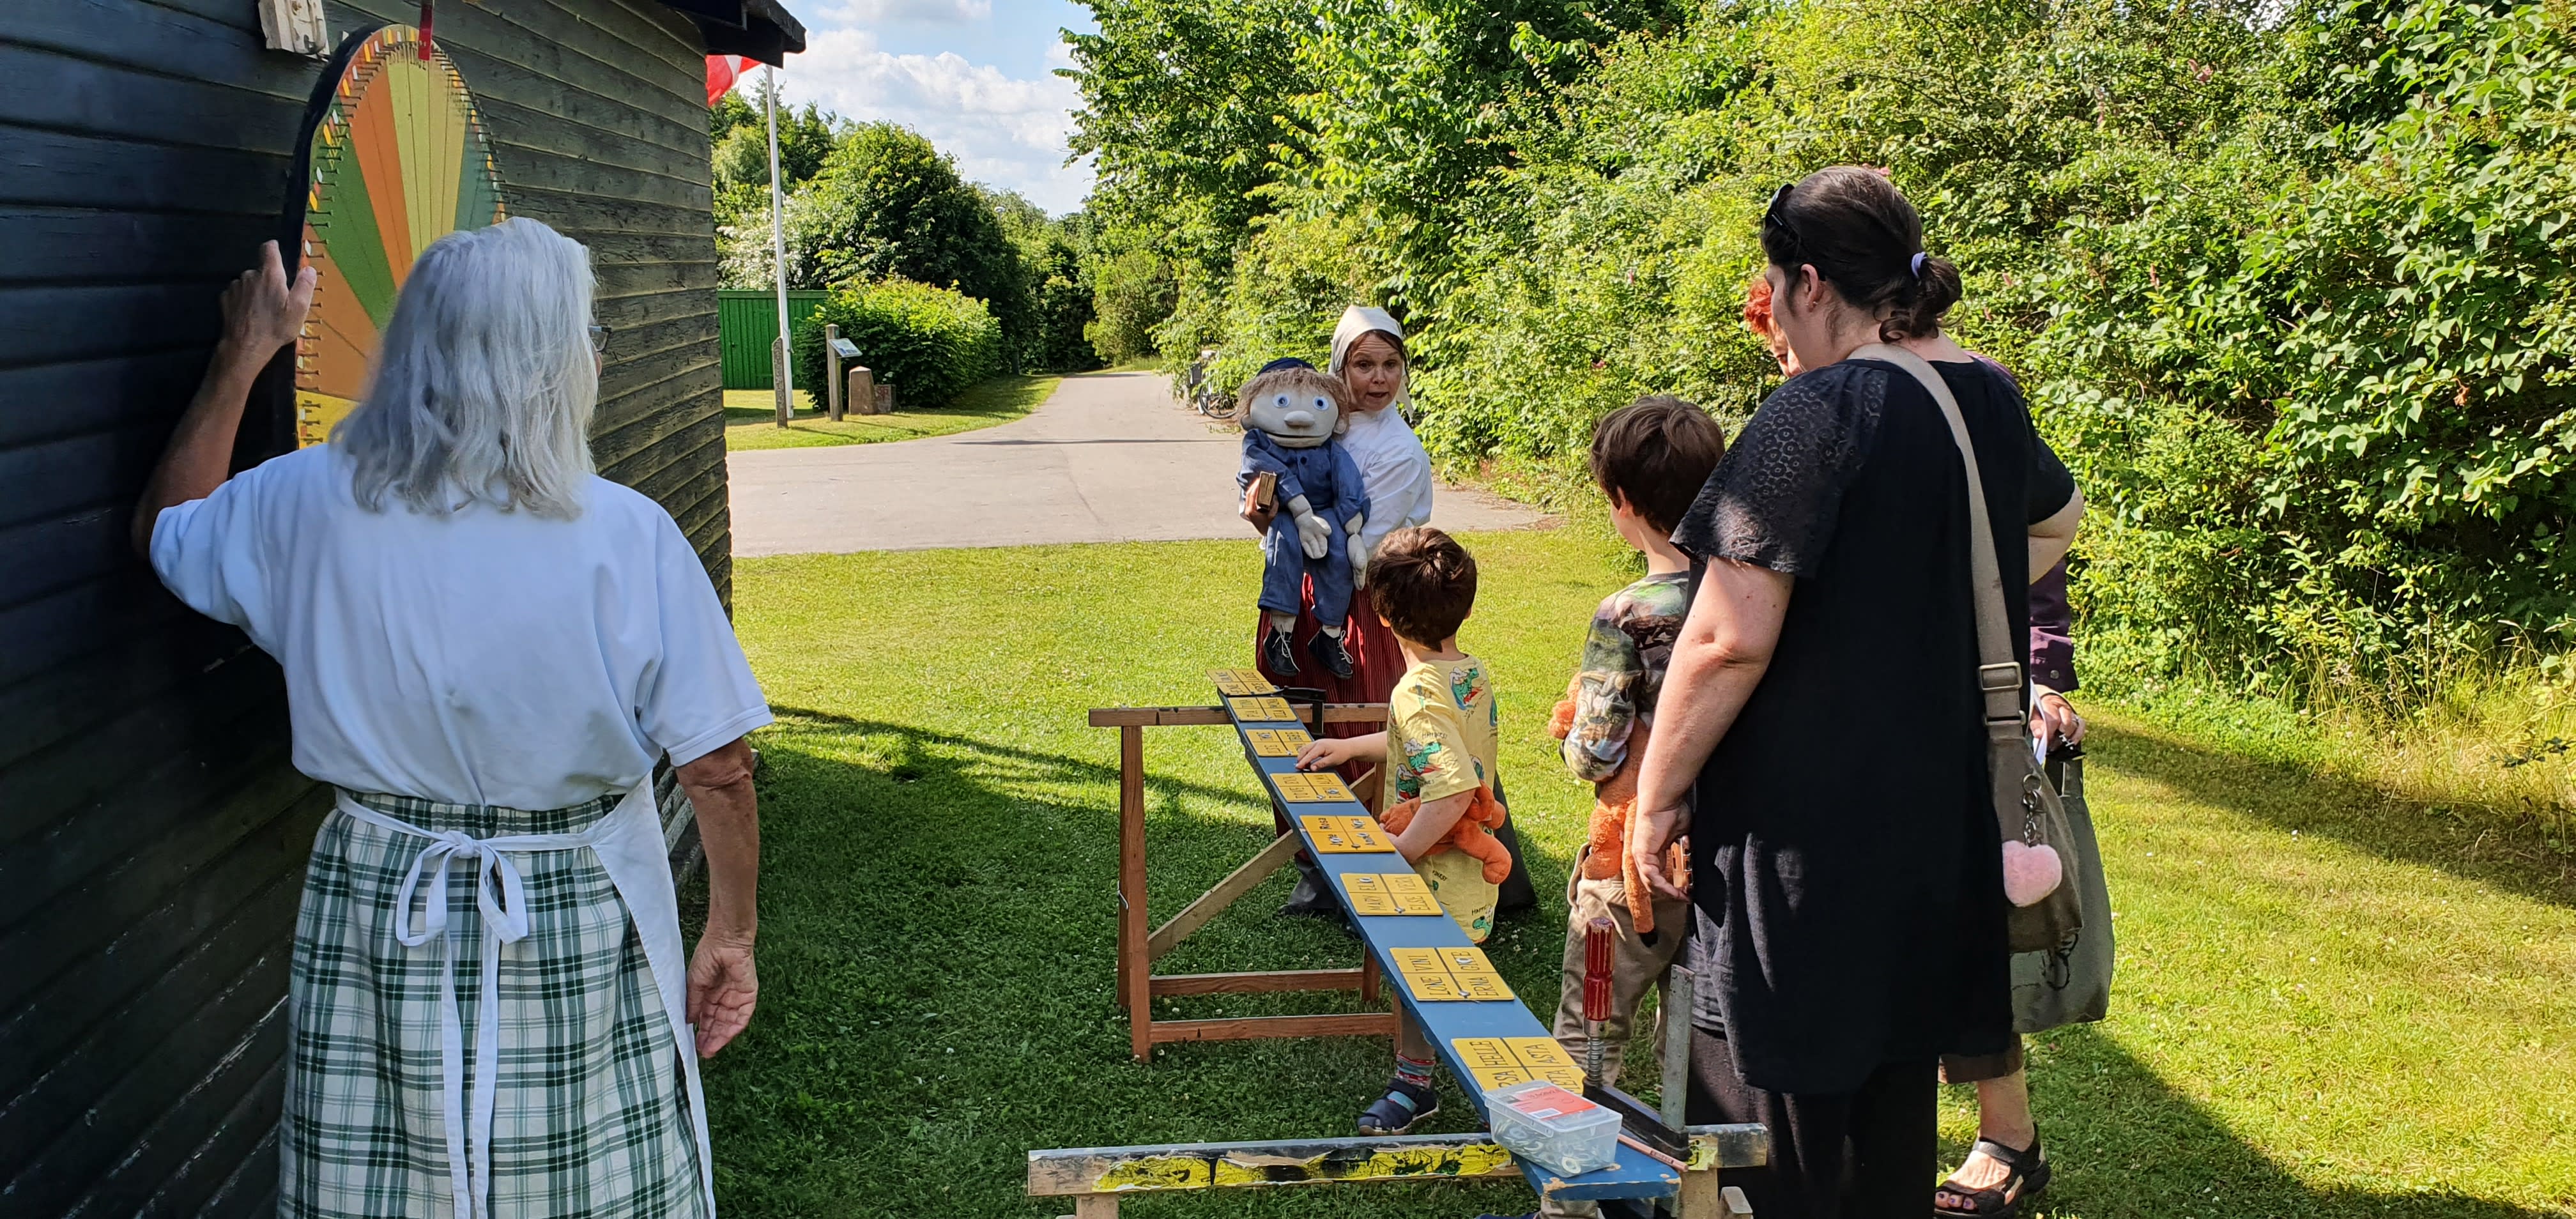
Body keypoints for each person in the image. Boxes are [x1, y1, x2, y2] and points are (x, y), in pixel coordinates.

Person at [134, 225, 769, 1218]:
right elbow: (717, 768)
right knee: (582, 1181)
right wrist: (732, 930)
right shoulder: (623, 533)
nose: (597, 355)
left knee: (380, 1178)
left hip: (376, 892)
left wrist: (242, 355)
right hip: (569, 898)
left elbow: (167, 530)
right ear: (546, 364)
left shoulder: (302, 503)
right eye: (587, 334)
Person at [1626, 167, 2083, 1218]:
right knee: (1888, 1123)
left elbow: (1726, 640)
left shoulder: (1815, 411)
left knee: (1778, 1142)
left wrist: (1655, 795)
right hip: (1934, 825)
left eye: (1775, 287)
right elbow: (2056, 521)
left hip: (1803, 849)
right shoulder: (1978, 398)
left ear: (1809, 284)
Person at [1250, 307, 1538, 917]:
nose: (1378, 379)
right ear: (1340, 366)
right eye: (1363, 364)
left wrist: (1286, 525)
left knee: (1383, 733)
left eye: (1390, 365)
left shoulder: (1399, 450)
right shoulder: (1321, 423)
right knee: (1304, 728)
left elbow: (1361, 543)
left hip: (1363, 607)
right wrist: (1267, 515)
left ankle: (1370, 868)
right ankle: (1315, 867)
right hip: (1304, 602)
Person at [1292, 526, 1506, 1135]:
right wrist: (1350, 747)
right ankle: (1461, 1075)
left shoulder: (1415, 692)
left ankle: (1416, 1085)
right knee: (1446, 983)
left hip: (1433, 875)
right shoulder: (1468, 673)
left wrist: (1401, 850)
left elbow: (1452, 786)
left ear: (1381, 616)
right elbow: (1429, 746)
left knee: (1422, 984)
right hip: (1468, 874)